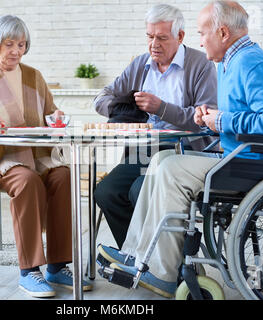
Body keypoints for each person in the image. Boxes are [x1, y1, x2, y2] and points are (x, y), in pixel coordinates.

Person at [98, 0, 263, 298]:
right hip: (236, 156)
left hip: (257, 163)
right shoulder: (232, 63)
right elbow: (237, 121)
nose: (200, 40)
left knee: (168, 167)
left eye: (202, 33)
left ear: (222, 32)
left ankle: (164, 273)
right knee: (161, 162)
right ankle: (136, 257)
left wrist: (220, 119)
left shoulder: (252, 63)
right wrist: (207, 120)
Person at [0, 15, 92, 298]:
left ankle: (58, 265)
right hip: (1, 158)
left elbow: (51, 112)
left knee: (64, 175)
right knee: (27, 182)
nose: (15, 51)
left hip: (37, 155)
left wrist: (56, 116)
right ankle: (29, 271)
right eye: (9, 44)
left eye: (21, 44)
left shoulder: (34, 76)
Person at [94, 4, 218, 251]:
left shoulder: (200, 65)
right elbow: (101, 98)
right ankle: (135, 255)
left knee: (140, 191)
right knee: (107, 192)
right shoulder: (141, 64)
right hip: (142, 150)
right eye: (150, 37)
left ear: (180, 36)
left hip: (182, 151)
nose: (154, 45)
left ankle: (160, 261)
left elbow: (206, 118)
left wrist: (161, 108)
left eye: (162, 38)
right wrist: (123, 110)